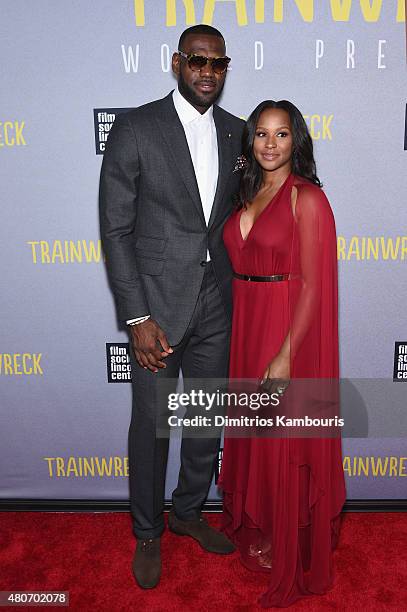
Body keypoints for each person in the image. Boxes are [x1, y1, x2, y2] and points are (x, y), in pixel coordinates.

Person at [99, 25, 245, 589]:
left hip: (218, 301)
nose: (207, 71)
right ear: (177, 62)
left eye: (218, 63)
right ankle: (147, 532)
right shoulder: (137, 127)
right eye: (197, 61)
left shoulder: (237, 133)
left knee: (206, 418)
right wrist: (136, 317)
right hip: (156, 307)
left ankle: (187, 513)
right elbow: (116, 230)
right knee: (153, 426)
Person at [218, 100, 346, 607]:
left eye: (282, 134)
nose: (271, 144)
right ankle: (266, 529)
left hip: (285, 328)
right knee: (257, 438)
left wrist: (287, 355)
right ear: (250, 140)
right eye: (262, 134)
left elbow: (315, 286)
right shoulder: (247, 190)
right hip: (246, 325)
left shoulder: (307, 198)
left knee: (285, 441)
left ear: (298, 141)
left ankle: (290, 545)